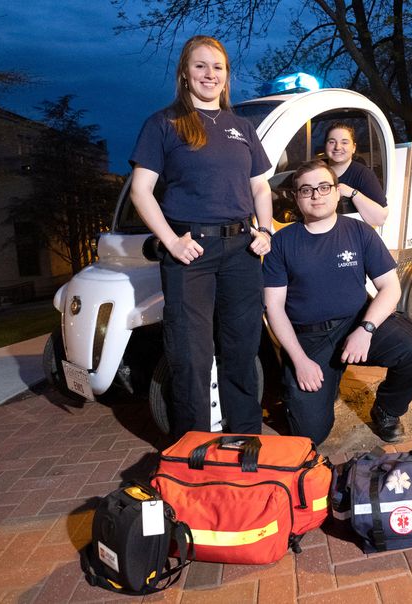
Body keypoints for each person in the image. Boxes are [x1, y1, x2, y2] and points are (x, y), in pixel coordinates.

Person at [129, 35, 273, 439]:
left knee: (242, 350)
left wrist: (266, 229)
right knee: (191, 357)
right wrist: (172, 241)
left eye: (218, 67)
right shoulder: (163, 124)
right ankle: (191, 448)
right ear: (184, 73)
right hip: (190, 253)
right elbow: (142, 190)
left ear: (227, 77)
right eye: (200, 66)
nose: (210, 74)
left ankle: (247, 440)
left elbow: (260, 188)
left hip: (242, 250)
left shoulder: (241, 127)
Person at [263, 159, 412, 445]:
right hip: (311, 339)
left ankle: (387, 411)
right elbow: (274, 307)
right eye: (306, 190)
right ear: (296, 197)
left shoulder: (359, 232)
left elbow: (390, 287)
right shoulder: (282, 243)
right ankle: (318, 387)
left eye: (323, 187)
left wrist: (366, 329)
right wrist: (300, 360)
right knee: (309, 434)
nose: (316, 195)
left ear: (336, 191)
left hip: (357, 323)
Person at [324, 122, 389, 226]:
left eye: (344, 142)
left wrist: (352, 193)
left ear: (354, 148)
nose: (337, 147)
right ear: (325, 145)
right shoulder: (317, 172)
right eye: (332, 142)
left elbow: (380, 219)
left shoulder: (363, 174)